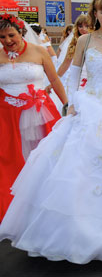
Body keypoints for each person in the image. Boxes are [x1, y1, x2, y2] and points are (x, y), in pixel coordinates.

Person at [0, 0, 102, 264]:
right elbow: (74, 75)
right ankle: (72, 230)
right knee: (76, 163)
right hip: (88, 106)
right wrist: (73, 103)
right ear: (95, 14)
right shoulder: (86, 40)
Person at [0, 14, 65, 221]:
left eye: (11, 35)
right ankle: (15, 206)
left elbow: (54, 79)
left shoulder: (39, 51)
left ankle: (44, 203)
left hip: (39, 112)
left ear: (21, 32)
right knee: (10, 158)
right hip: (7, 114)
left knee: (42, 155)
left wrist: (66, 103)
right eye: (1, 37)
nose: (7, 41)